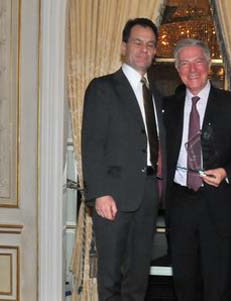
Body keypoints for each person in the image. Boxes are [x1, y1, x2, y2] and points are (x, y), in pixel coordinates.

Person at [163, 38, 231, 301]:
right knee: (183, 286)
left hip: (220, 207)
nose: (192, 69)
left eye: (198, 61)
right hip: (180, 205)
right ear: (177, 69)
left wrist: (227, 173)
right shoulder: (166, 107)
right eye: (184, 63)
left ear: (208, 65)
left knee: (219, 288)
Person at [81, 18, 165, 300]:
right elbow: (92, 144)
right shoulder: (103, 88)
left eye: (150, 45)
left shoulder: (157, 96)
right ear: (124, 46)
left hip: (148, 195)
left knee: (138, 278)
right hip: (112, 198)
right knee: (110, 279)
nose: (144, 49)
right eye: (138, 42)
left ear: (155, 51)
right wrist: (100, 193)